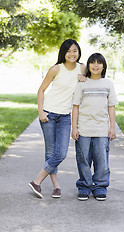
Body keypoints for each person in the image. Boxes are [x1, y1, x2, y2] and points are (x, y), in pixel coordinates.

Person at [29, 39, 86, 199]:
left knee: (60, 153)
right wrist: (41, 112)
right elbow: (41, 91)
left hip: (65, 116)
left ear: (79, 52)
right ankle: (56, 187)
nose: (72, 54)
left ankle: (37, 181)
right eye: (68, 51)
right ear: (63, 53)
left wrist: (85, 79)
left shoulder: (82, 68)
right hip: (49, 113)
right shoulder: (56, 69)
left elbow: (91, 82)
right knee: (51, 152)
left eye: (75, 50)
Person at [72, 53, 118, 201]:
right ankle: (85, 186)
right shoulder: (82, 84)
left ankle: (99, 186)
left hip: (102, 130)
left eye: (99, 63)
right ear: (88, 65)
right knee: (83, 160)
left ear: (103, 66)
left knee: (102, 160)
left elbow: (111, 107)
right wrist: (74, 128)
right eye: (93, 63)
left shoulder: (108, 84)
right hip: (84, 128)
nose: (96, 65)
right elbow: (75, 107)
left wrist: (112, 128)